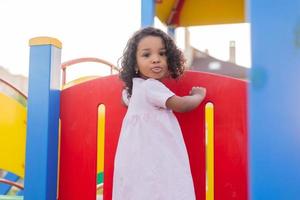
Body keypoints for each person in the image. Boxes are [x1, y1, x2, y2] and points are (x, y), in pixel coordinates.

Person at [113, 27, 206, 200]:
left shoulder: (133, 90)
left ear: (169, 59)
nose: (156, 59)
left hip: (135, 159)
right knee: (165, 187)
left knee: (139, 190)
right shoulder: (151, 87)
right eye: (146, 55)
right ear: (135, 63)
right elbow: (182, 105)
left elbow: (124, 100)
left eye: (162, 54)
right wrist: (198, 96)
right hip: (155, 156)